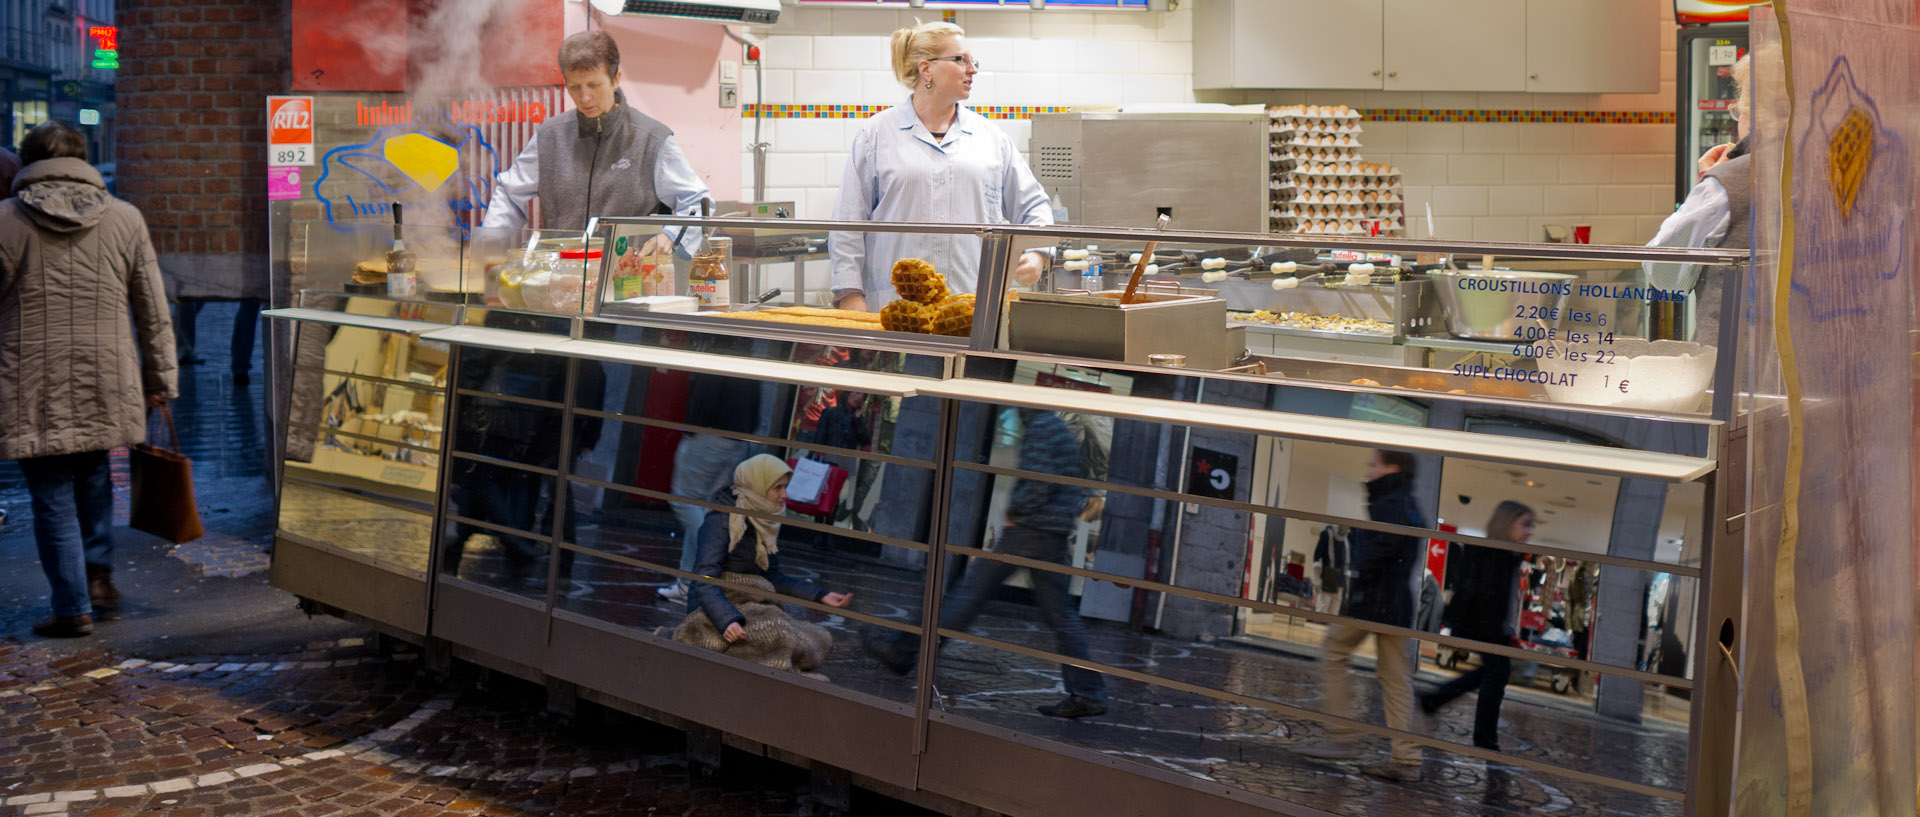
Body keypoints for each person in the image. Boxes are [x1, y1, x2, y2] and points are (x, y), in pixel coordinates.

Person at [0, 121, 176, 638]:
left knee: (51, 490)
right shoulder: (124, 218)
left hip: (30, 375)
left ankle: (71, 604)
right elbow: (152, 306)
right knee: (95, 473)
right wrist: (160, 376)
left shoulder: (5, 221)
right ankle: (99, 578)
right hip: (107, 371)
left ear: (28, 161)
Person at [863, 407, 1109, 719]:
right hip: (1051, 533)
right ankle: (1090, 692)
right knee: (1061, 616)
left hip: (1029, 531)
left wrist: (1014, 514)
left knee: (967, 596)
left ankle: (903, 651)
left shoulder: (1042, 428)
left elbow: (1038, 483)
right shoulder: (1057, 428)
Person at [828, 21, 1052, 312]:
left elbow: (1036, 208)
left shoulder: (991, 139)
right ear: (927, 69)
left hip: (973, 310)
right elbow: (846, 225)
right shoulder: (877, 135)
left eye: (973, 61)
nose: (972, 69)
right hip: (895, 311)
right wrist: (850, 296)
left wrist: (1036, 254)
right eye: (961, 60)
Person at [483, 30, 711, 258]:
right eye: (575, 87)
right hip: (562, 276)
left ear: (615, 79)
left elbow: (697, 201)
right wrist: (487, 243)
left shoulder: (651, 139)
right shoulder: (550, 137)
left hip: (629, 279)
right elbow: (510, 194)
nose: (584, 98)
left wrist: (670, 235)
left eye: (594, 85)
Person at [1295, 449, 1428, 782]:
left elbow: (1377, 553)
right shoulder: (1409, 503)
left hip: (1374, 602)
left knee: (1334, 653)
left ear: (1391, 468)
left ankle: (1343, 736)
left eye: (1374, 465)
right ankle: (1407, 759)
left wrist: (1358, 584)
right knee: (1397, 680)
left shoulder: (1388, 502)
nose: (1369, 472)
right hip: (1397, 604)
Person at [674, 455, 853, 678]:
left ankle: (778, 662)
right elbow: (705, 579)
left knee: (820, 638)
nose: (784, 495)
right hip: (714, 612)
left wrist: (820, 595)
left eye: (785, 487)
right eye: (777, 488)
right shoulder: (721, 521)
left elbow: (773, 577)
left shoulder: (763, 520)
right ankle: (785, 669)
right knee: (776, 635)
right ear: (758, 485)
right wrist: (726, 620)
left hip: (751, 603)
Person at [1645, 53, 1752, 345]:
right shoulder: (1837, 171)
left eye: (1738, 111)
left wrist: (1712, 182)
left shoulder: (1728, 183)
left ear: (1751, 112)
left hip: (1736, 364)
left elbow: (1665, 275)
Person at [1420, 500, 1533, 752]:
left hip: (1493, 628)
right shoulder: (1494, 553)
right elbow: (1480, 593)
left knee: (1491, 673)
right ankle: (1483, 738)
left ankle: (1434, 701)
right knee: (1496, 672)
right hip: (1485, 627)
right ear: (1508, 523)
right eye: (1525, 524)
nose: (1529, 531)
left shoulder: (1510, 556)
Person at [658, 371, 761, 603]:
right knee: (705, 507)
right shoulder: (750, 361)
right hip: (736, 439)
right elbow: (756, 411)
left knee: (684, 500)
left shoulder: (721, 350)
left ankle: (710, 565)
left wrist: (691, 428)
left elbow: (705, 395)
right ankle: (688, 583)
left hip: (709, 435)